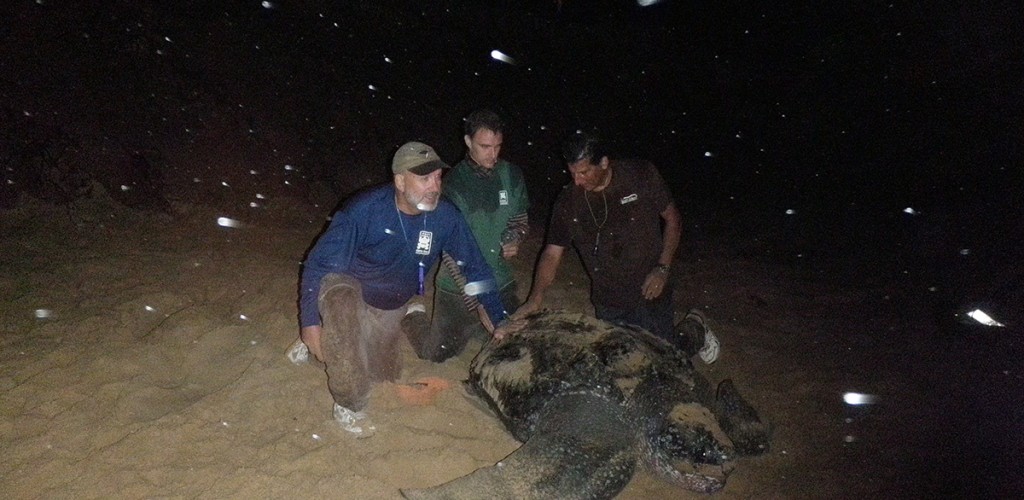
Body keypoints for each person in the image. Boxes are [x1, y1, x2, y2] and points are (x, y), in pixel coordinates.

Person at [296, 141, 520, 437]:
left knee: (381, 376)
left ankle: (321, 346)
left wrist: (498, 316)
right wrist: (309, 322)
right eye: (424, 178)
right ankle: (349, 406)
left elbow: (475, 268)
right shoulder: (364, 210)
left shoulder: (445, 217)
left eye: (437, 177)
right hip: (348, 288)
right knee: (343, 310)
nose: (434, 187)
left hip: (389, 306)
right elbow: (318, 265)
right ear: (400, 181)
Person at [515, 130, 719, 363]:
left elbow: (673, 220)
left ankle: (695, 328)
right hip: (609, 301)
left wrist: (662, 268)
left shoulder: (640, 175)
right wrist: (535, 297)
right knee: (623, 366)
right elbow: (552, 253)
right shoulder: (568, 202)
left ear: (603, 162)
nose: (577, 181)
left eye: (583, 172)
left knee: (668, 360)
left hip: (652, 289)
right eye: (572, 173)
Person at [423, 109, 530, 362]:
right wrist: (479, 302)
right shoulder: (452, 184)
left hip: (500, 280)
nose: (493, 154)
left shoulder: (511, 175)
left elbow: (520, 219)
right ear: (468, 142)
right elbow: (450, 253)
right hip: (457, 286)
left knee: (517, 346)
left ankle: (478, 329)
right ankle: (414, 315)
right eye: (485, 147)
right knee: (435, 354)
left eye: (498, 146)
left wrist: (515, 235)